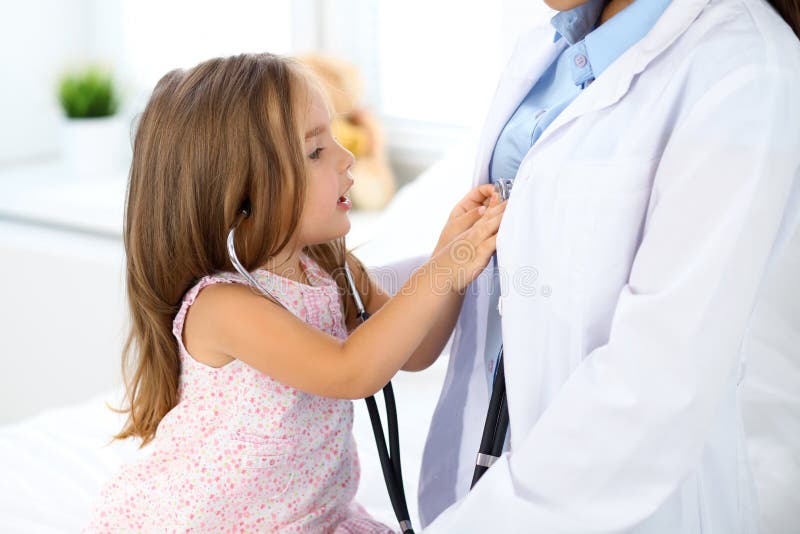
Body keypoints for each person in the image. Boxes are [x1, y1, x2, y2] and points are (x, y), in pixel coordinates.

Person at [419, 0, 800, 532]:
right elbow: (518, 266)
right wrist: (328, 286)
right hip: (484, 476)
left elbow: (657, 388)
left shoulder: (746, 70)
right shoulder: (550, 47)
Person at [84, 52, 506, 532]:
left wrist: (446, 254)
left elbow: (414, 350)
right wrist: (447, 267)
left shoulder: (328, 267)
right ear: (243, 190)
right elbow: (351, 371)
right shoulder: (222, 306)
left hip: (313, 517)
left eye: (336, 139)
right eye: (315, 151)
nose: (346, 159)